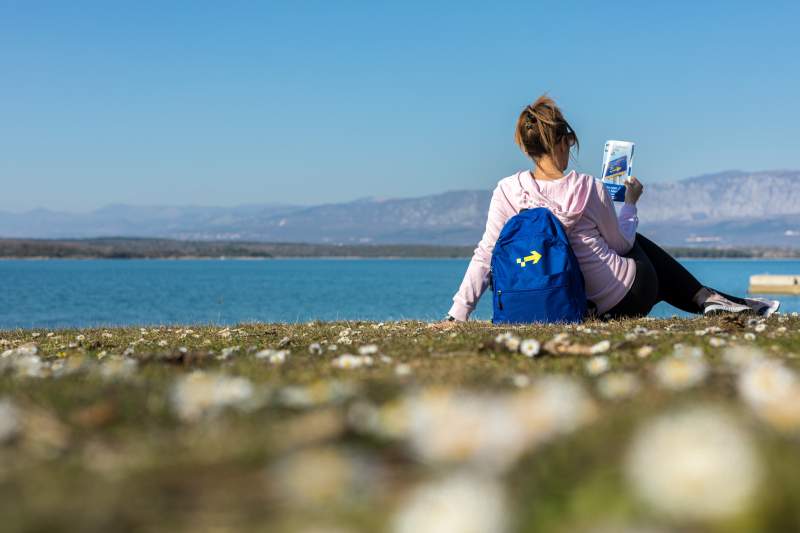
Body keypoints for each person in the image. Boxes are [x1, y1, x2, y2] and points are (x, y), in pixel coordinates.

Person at [444, 95, 779, 323]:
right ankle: (716, 301)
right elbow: (621, 245)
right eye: (570, 143)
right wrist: (630, 205)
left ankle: (721, 302)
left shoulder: (507, 191)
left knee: (649, 265)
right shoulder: (588, 187)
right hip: (627, 296)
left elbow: (486, 255)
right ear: (564, 140)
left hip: (574, 306)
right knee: (640, 248)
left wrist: (457, 315)